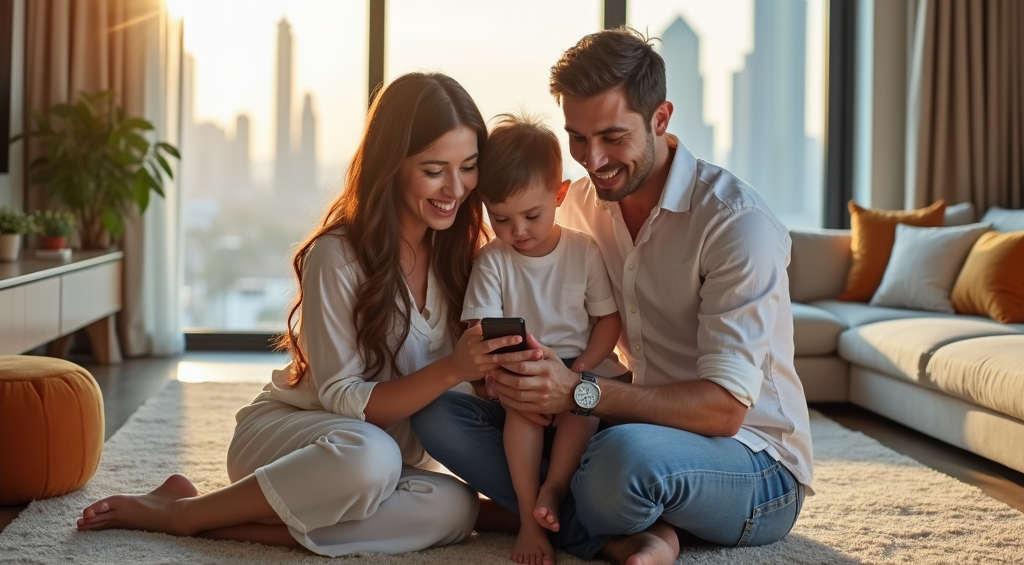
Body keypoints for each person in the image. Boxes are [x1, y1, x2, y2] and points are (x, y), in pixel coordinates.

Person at [76, 72, 523, 556]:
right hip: (303, 444)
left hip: (388, 462)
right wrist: (453, 368)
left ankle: (211, 520)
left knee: (455, 506)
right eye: (435, 170)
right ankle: (185, 515)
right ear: (392, 165)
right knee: (371, 458)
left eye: (469, 167)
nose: (456, 188)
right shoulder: (337, 255)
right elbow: (342, 398)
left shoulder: (465, 259)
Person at [412, 28, 814, 565]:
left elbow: (723, 412)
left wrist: (577, 392)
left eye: (612, 136)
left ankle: (537, 514)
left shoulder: (736, 225)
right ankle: (627, 533)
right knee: (437, 412)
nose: (592, 159)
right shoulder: (576, 203)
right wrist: (511, 381)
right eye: (577, 137)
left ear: (661, 119)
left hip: (750, 460)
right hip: (618, 419)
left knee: (619, 463)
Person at [463, 114, 623, 565]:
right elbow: (478, 331)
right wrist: (509, 378)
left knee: (584, 409)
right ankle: (531, 517)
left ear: (560, 194)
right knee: (520, 417)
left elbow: (608, 323)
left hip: (577, 367)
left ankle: (553, 489)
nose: (517, 231)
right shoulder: (493, 260)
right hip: (520, 368)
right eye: (501, 219)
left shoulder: (583, 250)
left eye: (532, 215)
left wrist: (578, 372)